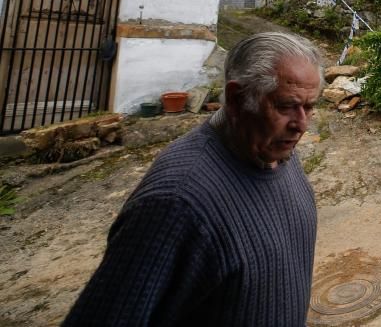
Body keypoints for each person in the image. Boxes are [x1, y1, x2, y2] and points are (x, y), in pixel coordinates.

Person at [63, 32, 323, 326]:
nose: (301, 125)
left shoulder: (277, 152)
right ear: (237, 100)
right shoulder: (175, 203)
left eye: (310, 107)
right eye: (286, 106)